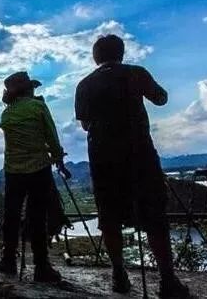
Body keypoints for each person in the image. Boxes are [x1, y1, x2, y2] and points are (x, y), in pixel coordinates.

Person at [74, 34, 191, 298]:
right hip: (139, 153)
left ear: (96, 57)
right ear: (122, 53)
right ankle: (167, 280)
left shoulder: (84, 85)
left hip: (102, 158)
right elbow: (161, 98)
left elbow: (84, 123)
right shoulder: (136, 73)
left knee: (109, 216)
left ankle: (119, 275)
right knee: (154, 216)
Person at [0, 71, 67, 283]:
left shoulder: (7, 114)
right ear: (28, 89)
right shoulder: (39, 107)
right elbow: (52, 137)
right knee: (37, 216)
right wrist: (58, 159)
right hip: (39, 169)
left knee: (11, 215)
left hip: (13, 170)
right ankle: (41, 267)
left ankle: (8, 260)